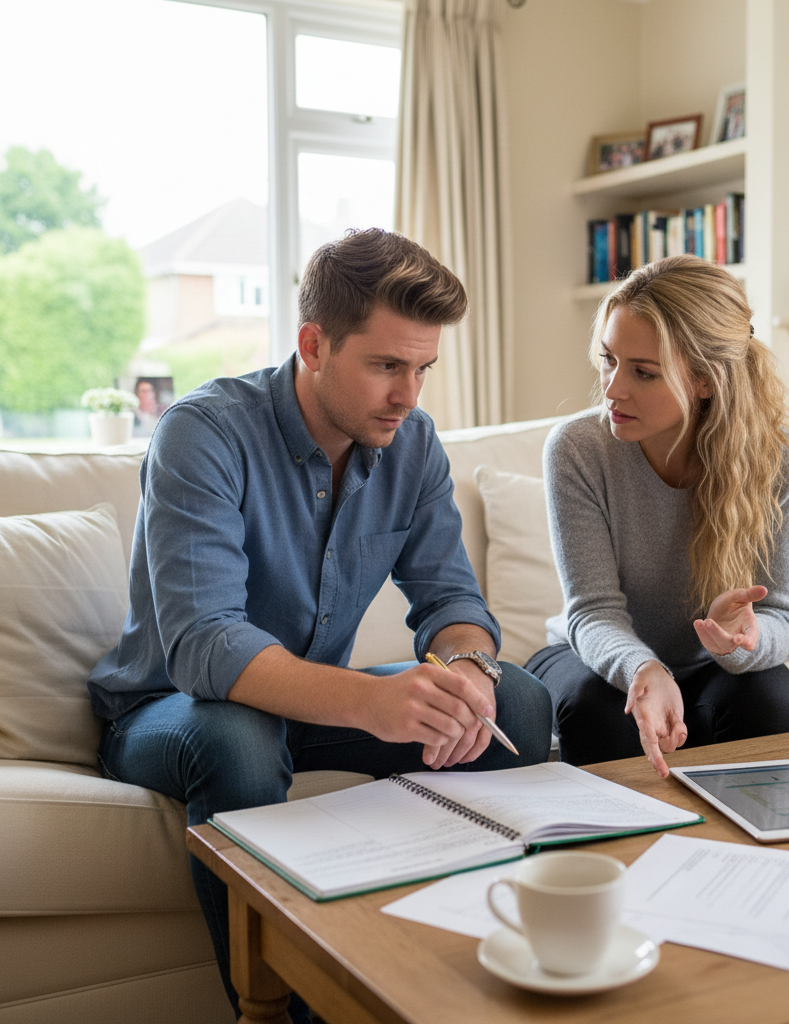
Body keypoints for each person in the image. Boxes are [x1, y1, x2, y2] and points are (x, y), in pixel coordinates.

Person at [87, 228, 553, 1022]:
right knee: (238, 734)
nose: (409, 395)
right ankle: (282, 1011)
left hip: (310, 713)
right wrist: (372, 702)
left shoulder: (414, 445)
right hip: (172, 711)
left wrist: (467, 672)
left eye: (422, 369)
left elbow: (452, 603)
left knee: (517, 704)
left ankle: (460, 985)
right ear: (314, 344)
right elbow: (205, 645)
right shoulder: (204, 434)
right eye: (385, 366)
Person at [525, 255, 789, 778]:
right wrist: (644, 668)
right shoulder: (577, 449)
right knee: (598, 706)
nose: (612, 389)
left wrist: (745, 640)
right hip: (590, 654)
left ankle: (750, 849)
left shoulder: (779, 458)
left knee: (768, 695)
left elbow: (783, 618)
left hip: (707, 667)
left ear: (704, 380)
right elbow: (592, 612)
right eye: (609, 360)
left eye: (643, 372)